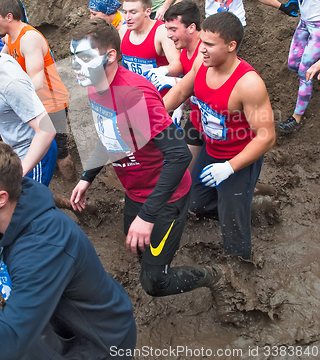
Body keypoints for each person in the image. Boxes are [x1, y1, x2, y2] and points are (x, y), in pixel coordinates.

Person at [69, 19, 248, 324]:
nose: (77, 67)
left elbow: (178, 157)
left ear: (110, 56)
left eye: (84, 59)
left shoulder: (134, 94)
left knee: (155, 283)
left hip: (166, 197)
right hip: (137, 191)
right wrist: (87, 177)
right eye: (74, 59)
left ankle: (217, 275)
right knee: (136, 243)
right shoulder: (96, 88)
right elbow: (109, 137)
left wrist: (148, 215)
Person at [0, 137, 136, 360]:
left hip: (98, 344)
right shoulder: (7, 205)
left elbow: (9, 341)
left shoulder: (42, 247)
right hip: (51, 327)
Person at [164, 11, 276, 260]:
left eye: (210, 45)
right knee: (195, 203)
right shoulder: (202, 65)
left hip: (239, 159)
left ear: (231, 46)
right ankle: (250, 202)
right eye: (202, 41)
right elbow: (182, 89)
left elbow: (266, 137)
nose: (202, 49)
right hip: (211, 150)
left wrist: (229, 168)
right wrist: (154, 117)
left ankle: (240, 271)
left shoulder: (248, 84)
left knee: (233, 226)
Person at [0, 0, 75, 181]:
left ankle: (74, 189)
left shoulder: (29, 38)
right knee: (44, 147)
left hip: (52, 103)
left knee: (60, 151)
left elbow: (37, 81)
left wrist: (13, 100)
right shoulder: (10, 38)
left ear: (8, 17)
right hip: (35, 104)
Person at [0, 29, 57, 185]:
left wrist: (20, 173)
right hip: (14, 151)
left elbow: (46, 130)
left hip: (34, 154)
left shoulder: (10, 82)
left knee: (30, 207)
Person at [276, 0, 320, 133]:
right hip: (306, 21)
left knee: (304, 71)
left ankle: (296, 119)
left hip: (318, 24)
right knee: (293, 63)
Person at [164, 0, 203, 171]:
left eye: (173, 29)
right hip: (197, 118)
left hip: (220, 122)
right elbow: (185, 80)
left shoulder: (205, 52)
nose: (168, 35)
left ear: (191, 28)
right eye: (167, 29)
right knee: (187, 172)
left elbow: (187, 86)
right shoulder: (185, 49)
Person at [120, 0, 182, 92]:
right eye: (125, 12)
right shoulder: (123, 30)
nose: (127, 17)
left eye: (133, 12)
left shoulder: (161, 32)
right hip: (134, 95)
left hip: (160, 98)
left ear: (147, 11)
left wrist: (161, 71)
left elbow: (178, 66)